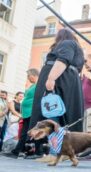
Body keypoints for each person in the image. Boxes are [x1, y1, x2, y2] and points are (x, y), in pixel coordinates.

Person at [28, 28, 85, 159]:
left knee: (53, 113)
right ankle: (60, 150)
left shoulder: (67, 43)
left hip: (59, 80)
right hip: (67, 79)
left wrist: (51, 78)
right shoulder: (75, 47)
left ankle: (58, 151)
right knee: (62, 113)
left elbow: (63, 60)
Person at [3, 69, 39, 158]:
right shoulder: (32, 85)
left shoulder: (39, 85)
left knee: (33, 132)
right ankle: (16, 152)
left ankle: (36, 152)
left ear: (33, 75)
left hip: (32, 113)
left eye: (28, 76)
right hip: (26, 113)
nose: (27, 78)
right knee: (23, 133)